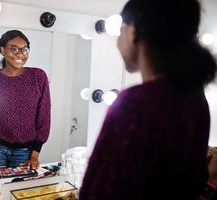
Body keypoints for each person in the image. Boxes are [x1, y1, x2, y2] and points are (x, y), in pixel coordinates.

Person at [79, 0, 217, 199]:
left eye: (120, 30)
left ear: (133, 31)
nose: (117, 40)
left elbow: (97, 193)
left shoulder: (136, 103)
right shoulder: (195, 98)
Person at [0, 30, 51, 169]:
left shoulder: (38, 76)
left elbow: (44, 114)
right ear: (2, 50)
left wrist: (35, 155)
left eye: (24, 50)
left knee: (18, 187)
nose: (20, 54)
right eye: (14, 49)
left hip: (26, 150)